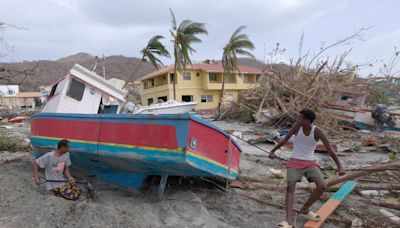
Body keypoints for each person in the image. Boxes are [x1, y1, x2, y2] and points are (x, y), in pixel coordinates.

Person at [269, 109, 345, 228]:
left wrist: (339, 166)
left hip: (310, 163)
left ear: (307, 121)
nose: (297, 120)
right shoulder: (296, 127)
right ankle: (289, 220)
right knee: (290, 188)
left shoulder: (317, 131)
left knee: (322, 186)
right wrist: (273, 151)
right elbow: (285, 140)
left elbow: (330, 149)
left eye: (300, 118)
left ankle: (305, 209)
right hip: (294, 161)